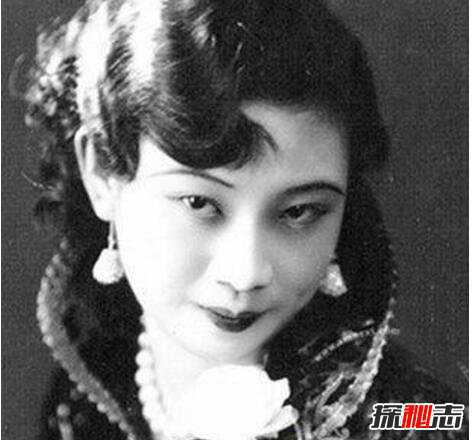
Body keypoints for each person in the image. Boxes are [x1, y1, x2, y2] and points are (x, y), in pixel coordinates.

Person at [24, 0, 466, 439]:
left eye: (299, 212)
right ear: (102, 174)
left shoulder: (409, 420)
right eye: (199, 203)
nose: (246, 273)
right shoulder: (85, 392)